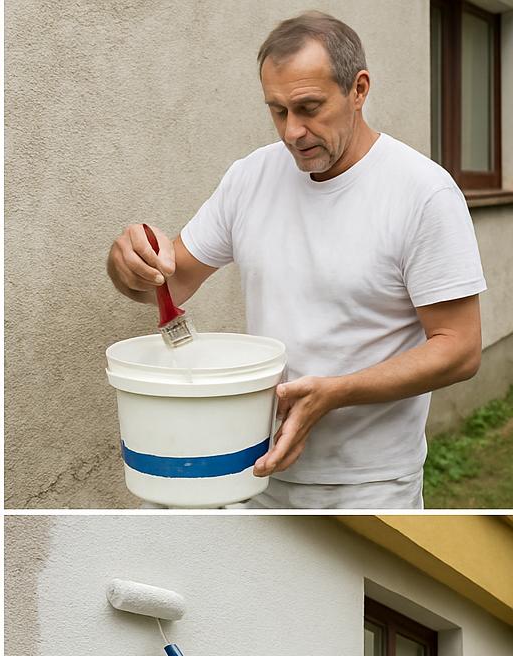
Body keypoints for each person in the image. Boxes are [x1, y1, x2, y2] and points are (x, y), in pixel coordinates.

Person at [106, 11, 485, 510]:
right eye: (278, 110)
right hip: (249, 471)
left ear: (359, 89)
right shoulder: (250, 178)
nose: (292, 132)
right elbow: (169, 282)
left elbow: (460, 348)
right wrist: (129, 265)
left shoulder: (423, 193)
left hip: (366, 487)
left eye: (309, 107)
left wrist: (336, 392)